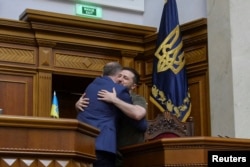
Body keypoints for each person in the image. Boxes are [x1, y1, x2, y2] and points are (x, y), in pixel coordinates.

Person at [76, 67, 148, 166]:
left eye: (125, 78)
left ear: (133, 86)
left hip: (129, 153)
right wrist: (77, 105)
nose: (120, 79)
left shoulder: (137, 98)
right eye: (119, 76)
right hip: (109, 148)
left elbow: (138, 114)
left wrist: (115, 100)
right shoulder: (107, 93)